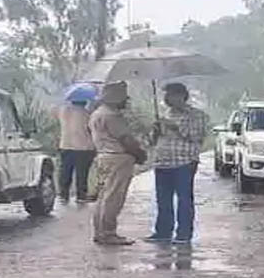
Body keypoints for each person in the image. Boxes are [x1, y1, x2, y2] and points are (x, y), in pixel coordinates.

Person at [145, 82, 209, 244]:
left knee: (184, 199)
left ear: (181, 96)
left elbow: (196, 137)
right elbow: (152, 141)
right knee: (163, 200)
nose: (168, 99)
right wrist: (156, 131)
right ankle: (163, 232)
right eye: (166, 95)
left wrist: (174, 128)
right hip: (162, 162)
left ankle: (183, 234)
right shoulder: (166, 114)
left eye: (171, 95)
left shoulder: (196, 115)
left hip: (184, 162)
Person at [89, 81, 147, 246]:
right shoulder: (112, 116)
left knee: (103, 197)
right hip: (118, 158)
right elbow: (126, 139)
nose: (125, 102)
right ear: (116, 98)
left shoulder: (97, 113)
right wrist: (139, 154)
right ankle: (109, 233)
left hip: (103, 156)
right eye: (123, 98)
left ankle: (100, 231)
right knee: (114, 197)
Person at [58, 98, 97, 203]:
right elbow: (92, 129)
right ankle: (81, 195)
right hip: (83, 147)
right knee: (82, 173)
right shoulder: (87, 114)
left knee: (65, 171)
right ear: (84, 101)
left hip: (66, 145)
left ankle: (63, 194)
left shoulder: (63, 111)